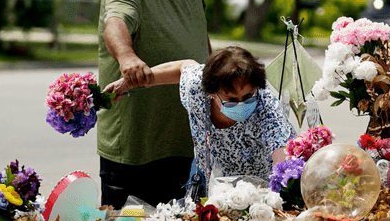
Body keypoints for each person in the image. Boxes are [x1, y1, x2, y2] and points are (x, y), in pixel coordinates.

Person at [97, 0, 211, 208]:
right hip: (137, 152)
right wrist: (127, 58)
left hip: (184, 143)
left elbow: (200, 36)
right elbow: (116, 22)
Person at [104, 47, 299, 191]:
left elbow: (282, 156)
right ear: (212, 93)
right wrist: (129, 83)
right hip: (210, 173)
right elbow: (183, 67)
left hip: (260, 186)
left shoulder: (267, 107)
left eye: (248, 96)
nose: (241, 104)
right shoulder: (197, 88)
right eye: (232, 99)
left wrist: (286, 183)